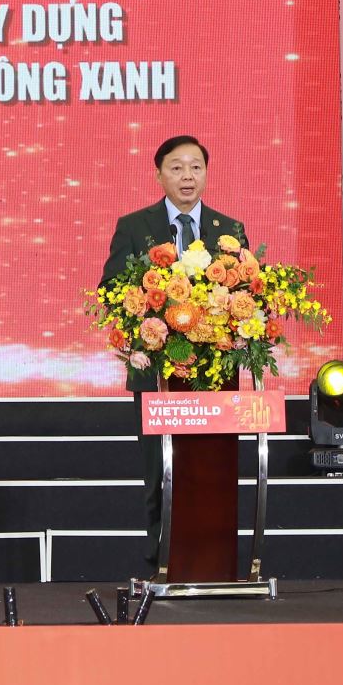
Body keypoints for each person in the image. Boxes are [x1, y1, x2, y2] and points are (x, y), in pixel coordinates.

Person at [99, 134, 249, 570]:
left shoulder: (229, 229)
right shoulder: (134, 226)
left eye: (196, 167)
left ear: (206, 173)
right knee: (160, 471)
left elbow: (249, 292)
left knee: (212, 472)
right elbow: (110, 291)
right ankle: (161, 561)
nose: (187, 176)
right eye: (177, 167)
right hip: (157, 372)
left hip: (214, 372)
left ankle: (214, 562)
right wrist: (147, 311)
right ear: (159, 174)